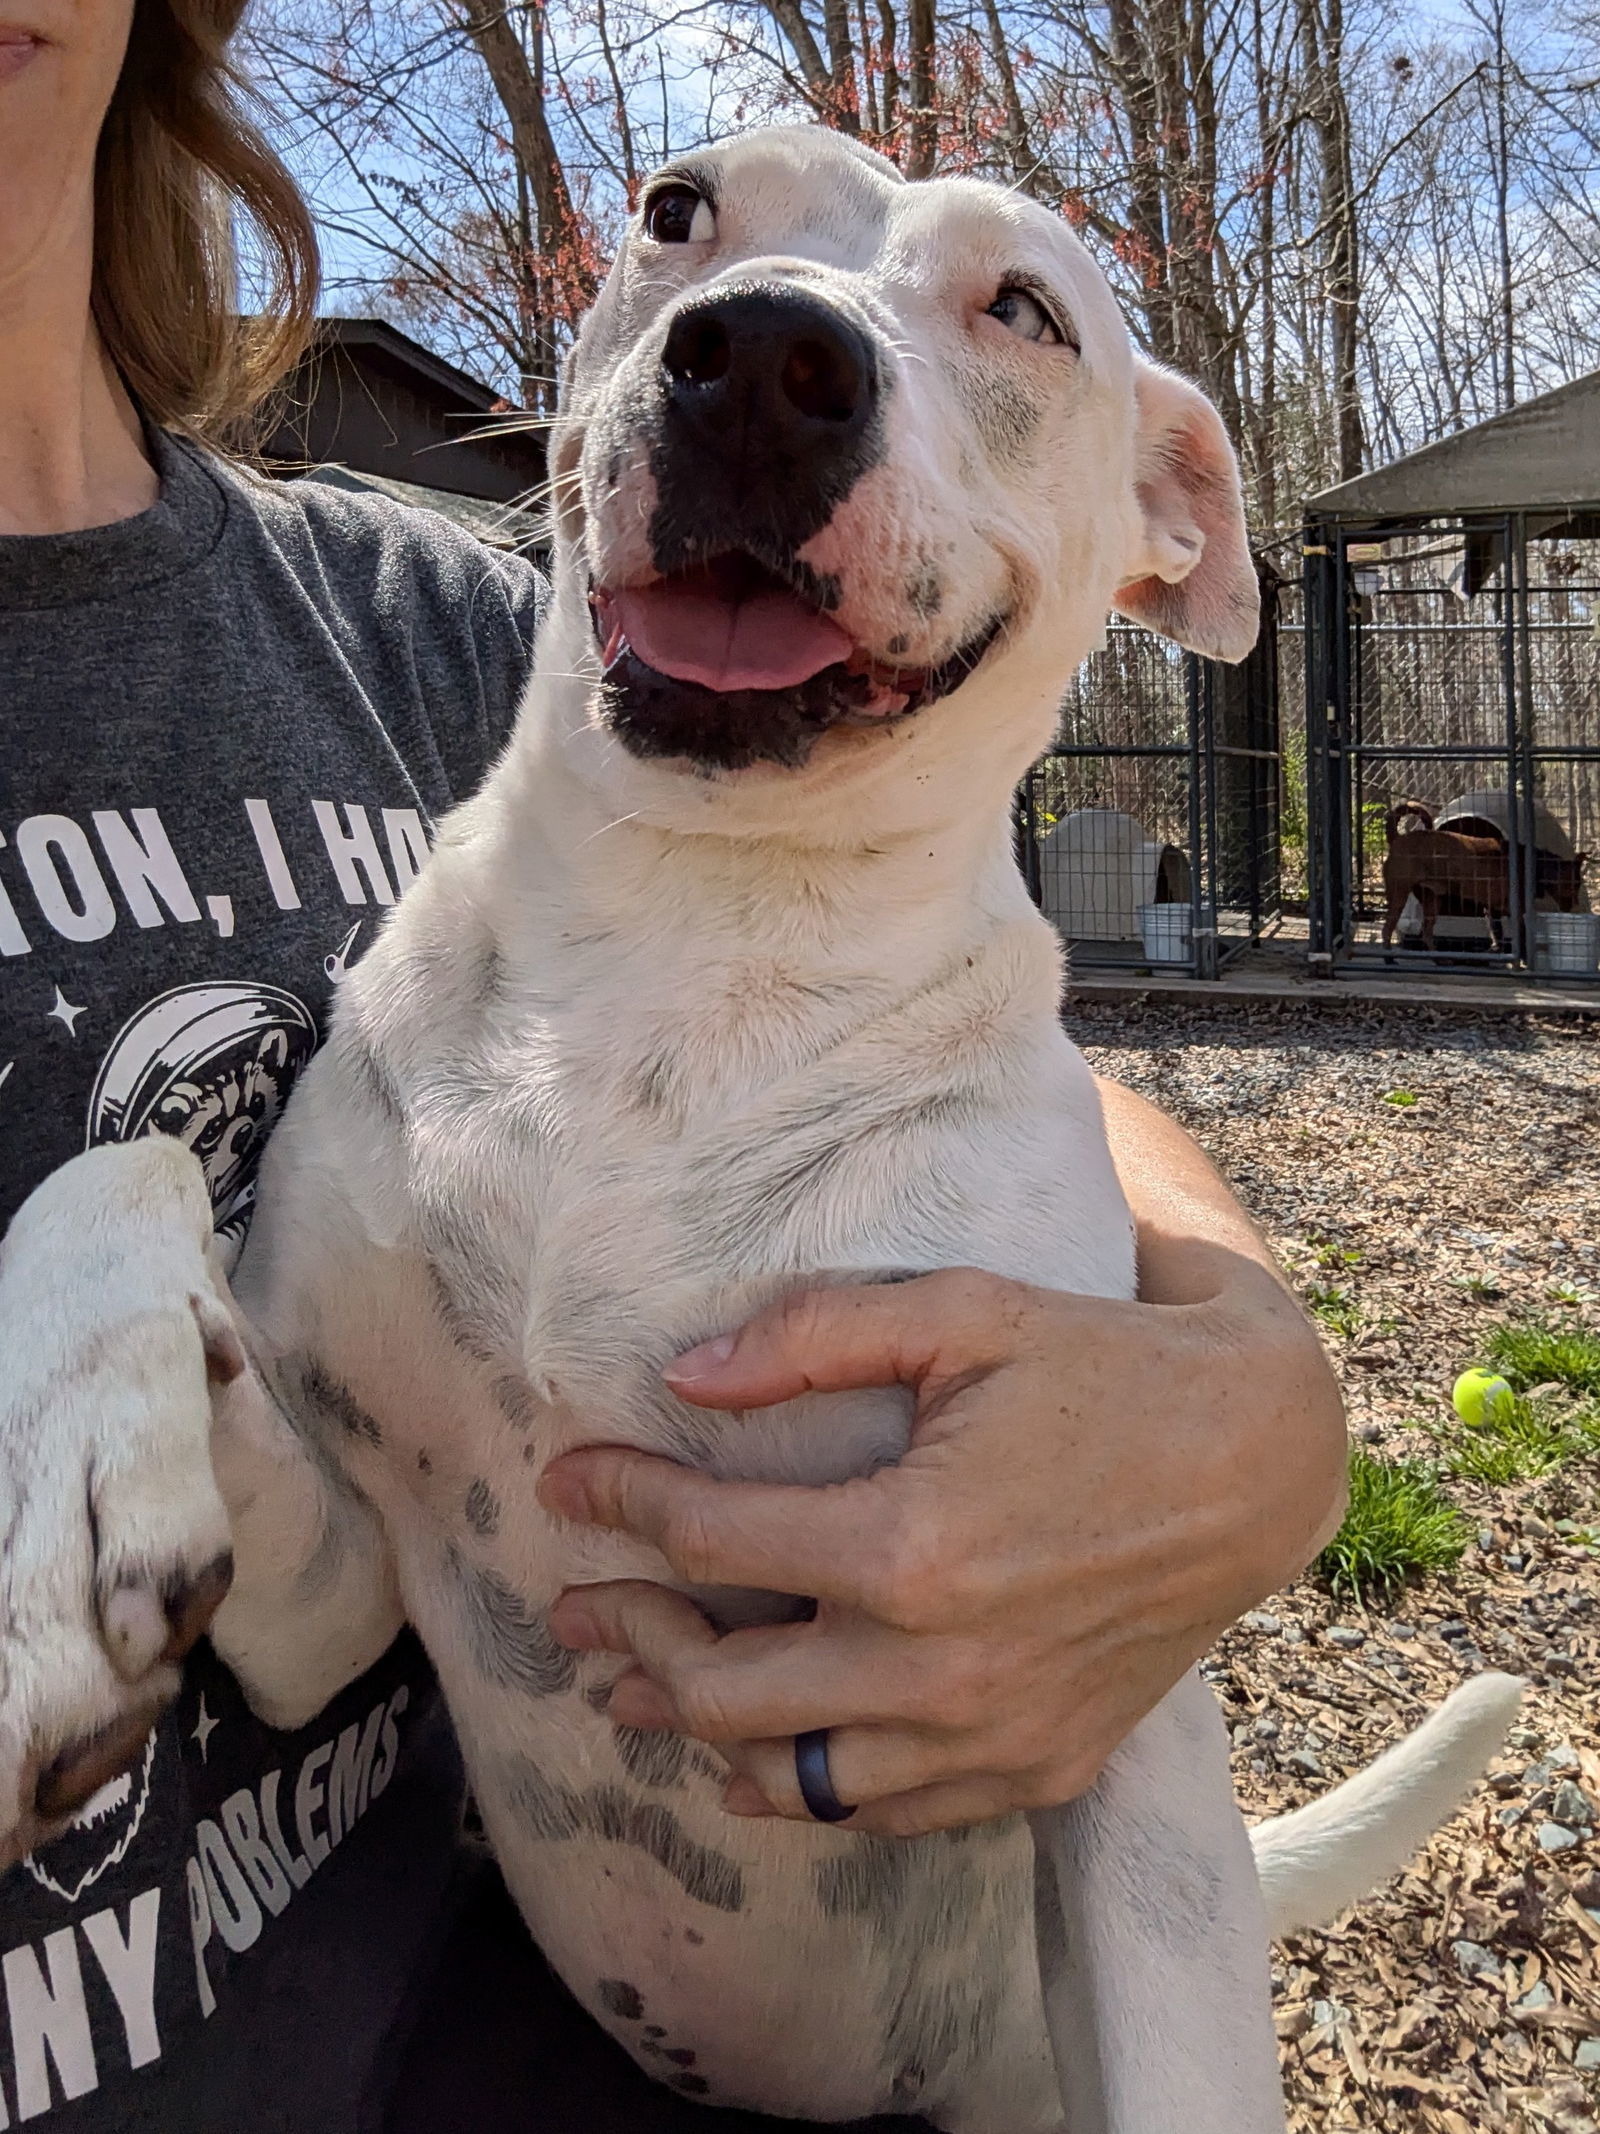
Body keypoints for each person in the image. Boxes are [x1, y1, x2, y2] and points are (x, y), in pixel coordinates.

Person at [0, 3, 1347, 2129]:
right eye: (688, 238)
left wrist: (1261, 1383)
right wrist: (97, 1257)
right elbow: (309, 1605)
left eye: (1008, 315)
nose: (764, 337)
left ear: (1158, 525)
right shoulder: (418, 1017)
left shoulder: (399, 624)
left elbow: (1132, 1756)